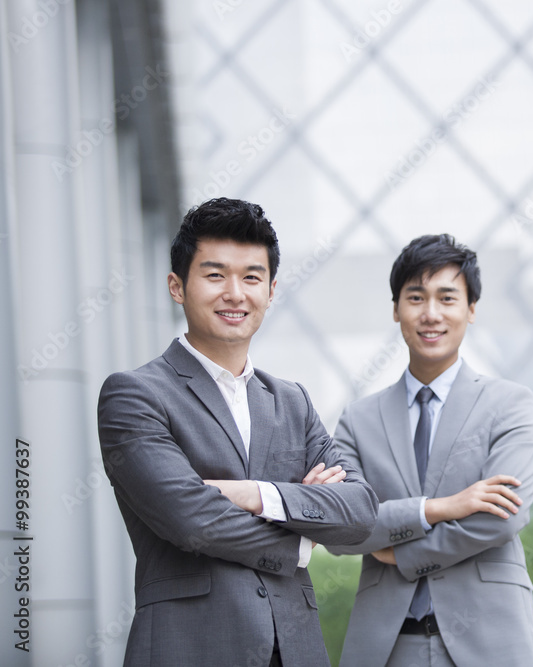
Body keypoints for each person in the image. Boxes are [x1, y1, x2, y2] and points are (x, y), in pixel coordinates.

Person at [97, 197, 378, 666]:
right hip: (189, 646)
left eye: (251, 277)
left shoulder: (292, 401)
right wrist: (302, 538)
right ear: (177, 286)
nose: (235, 293)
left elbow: (360, 513)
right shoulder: (135, 394)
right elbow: (190, 520)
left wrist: (252, 494)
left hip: (296, 651)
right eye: (214, 275)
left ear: (270, 290)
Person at [324, 234, 533, 667]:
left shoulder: (509, 404)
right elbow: (343, 526)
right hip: (388, 645)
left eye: (447, 298)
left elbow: (504, 517)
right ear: (395, 309)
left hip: (491, 641)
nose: (431, 314)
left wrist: (402, 553)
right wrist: (438, 508)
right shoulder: (358, 420)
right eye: (416, 297)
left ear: (471, 309)